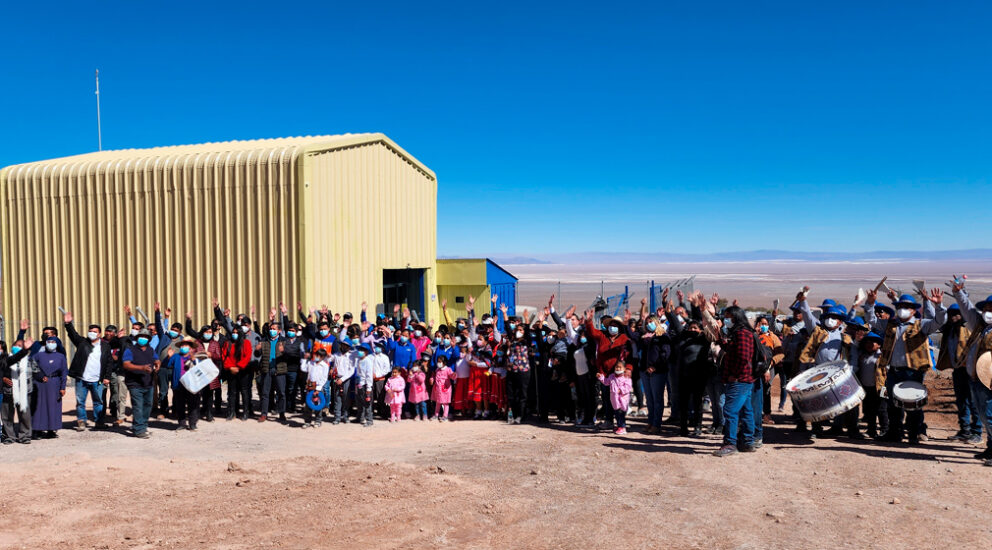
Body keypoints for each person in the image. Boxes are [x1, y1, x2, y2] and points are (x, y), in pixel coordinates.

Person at [867, 289, 946, 444]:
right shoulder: (891, 325)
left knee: (913, 404)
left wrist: (939, 305)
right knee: (893, 404)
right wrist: (870, 304)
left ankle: (915, 433)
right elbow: (872, 320)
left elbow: (939, 321)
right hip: (893, 371)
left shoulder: (921, 325)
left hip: (913, 371)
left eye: (906, 306)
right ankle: (894, 433)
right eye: (900, 306)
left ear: (913, 310)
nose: (902, 309)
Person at [950, 281, 992, 464]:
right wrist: (959, 293)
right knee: (984, 415)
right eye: (987, 308)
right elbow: (967, 309)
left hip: (989, 380)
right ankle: (991, 448)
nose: (988, 312)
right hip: (976, 378)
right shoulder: (980, 327)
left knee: (990, 416)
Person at [713, 306, 756, 457]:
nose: (726, 320)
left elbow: (743, 358)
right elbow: (733, 350)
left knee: (730, 411)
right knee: (746, 410)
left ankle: (730, 443)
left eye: (728, 317)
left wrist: (734, 375)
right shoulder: (741, 333)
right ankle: (748, 441)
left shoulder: (742, 333)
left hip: (740, 379)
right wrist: (719, 338)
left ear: (736, 317)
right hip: (745, 379)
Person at [937, 304, 981, 443]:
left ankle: (977, 431)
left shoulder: (969, 330)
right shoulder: (949, 331)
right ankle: (965, 430)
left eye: (957, 313)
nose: (953, 316)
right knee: (961, 401)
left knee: (973, 401)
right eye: (951, 314)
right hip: (958, 370)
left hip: (971, 370)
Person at [64, 312, 113, 431]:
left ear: (99, 334)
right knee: (80, 402)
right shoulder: (82, 343)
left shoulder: (105, 346)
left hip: (98, 380)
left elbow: (108, 363)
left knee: (99, 402)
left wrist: (107, 377)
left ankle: (99, 422)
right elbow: (73, 335)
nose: (92, 333)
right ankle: (81, 421)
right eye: (90, 330)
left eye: (95, 331)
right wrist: (68, 324)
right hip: (82, 379)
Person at [584, 310, 631, 430]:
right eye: (611, 326)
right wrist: (589, 321)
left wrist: (628, 368)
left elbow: (630, 353)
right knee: (607, 398)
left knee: (620, 399)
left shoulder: (624, 338)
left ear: (619, 328)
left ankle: (621, 424)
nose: (612, 328)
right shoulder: (602, 335)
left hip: (619, 375)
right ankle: (609, 420)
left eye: (615, 326)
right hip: (605, 374)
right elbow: (592, 332)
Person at [121, 329, 159, 438]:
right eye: (141, 336)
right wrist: (141, 368)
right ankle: (139, 430)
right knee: (138, 406)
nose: (143, 339)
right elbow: (126, 364)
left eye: (146, 337)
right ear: (137, 338)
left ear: (149, 339)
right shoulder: (130, 350)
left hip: (148, 382)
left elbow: (156, 359)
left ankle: (142, 425)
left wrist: (157, 364)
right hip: (134, 383)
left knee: (148, 405)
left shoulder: (151, 350)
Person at [31, 336, 67, 439]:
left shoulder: (61, 356)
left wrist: (63, 387)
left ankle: (52, 429)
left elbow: (64, 372)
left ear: (57, 344)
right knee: (39, 406)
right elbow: (32, 366)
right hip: (39, 384)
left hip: (54, 383)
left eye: (53, 342)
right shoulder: (39, 355)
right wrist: (40, 376)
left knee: (53, 407)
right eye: (49, 341)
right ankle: (37, 430)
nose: (50, 343)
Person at [855, 331, 888, 439]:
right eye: (867, 342)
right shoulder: (862, 356)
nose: (869, 345)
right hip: (866, 387)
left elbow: (887, 372)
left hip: (881, 388)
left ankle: (884, 430)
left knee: (882, 409)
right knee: (869, 410)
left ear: (878, 344)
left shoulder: (882, 356)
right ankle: (871, 430)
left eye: (872, 342)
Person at [1, 340, 34, 444]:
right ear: (11, 346)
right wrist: (3, 379)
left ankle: (24, 436)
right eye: (16, 345)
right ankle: (9, 436)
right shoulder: (5, 359)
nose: (18, 347)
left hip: (25, 391)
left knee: (25, 414)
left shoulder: (29, 359)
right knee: (7, 415)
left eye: (21, 346)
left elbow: (38, 372)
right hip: (9, 391)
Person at [169, 339, 202, 431]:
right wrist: (169, 357)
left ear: (191, 348)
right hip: (178, 384)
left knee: (193, 405)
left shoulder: (195, 358)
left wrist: (194, 360)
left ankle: (193, 424)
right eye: (182, 346)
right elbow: (167, 364)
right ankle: (182, 423)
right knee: (180, 405)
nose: (184, 347)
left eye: (186, 346)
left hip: (192, 385)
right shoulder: (175, 356)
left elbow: (200, 369)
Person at [221, 327, 253, 421]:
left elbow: (247, 356)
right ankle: (232, 412)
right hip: (231, 370)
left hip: (243, 371)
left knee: (244, 392)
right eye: (233, 332)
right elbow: (224, 356)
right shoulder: (228, 343)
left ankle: (245, 412)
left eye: (237, 333)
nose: (234, 334)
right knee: (232, 392)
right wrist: (230, 367)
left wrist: (239, 367)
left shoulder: (246, 343)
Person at [598, 361, 633, 435]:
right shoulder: (612, 376)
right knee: (616, 414)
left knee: (621, 414)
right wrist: (601, 377)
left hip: (622, 400)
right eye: (616, 367)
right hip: (614, 400)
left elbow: (628, 387)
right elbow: (606, 382)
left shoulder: (626, 377)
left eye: (620, 367)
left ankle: (622, 427)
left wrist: (621, 390)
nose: (618, 368)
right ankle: (619, 426)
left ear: (624, 368)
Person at [300, 348, 331, 428]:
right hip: (309, 386)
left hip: (318, 388)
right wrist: (304, 359)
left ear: (322, 357)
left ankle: (318, 420)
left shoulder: (324, 366)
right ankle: (307, 421)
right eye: (316, 354)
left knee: (317, 404)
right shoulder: (311, 363)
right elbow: (303, 369)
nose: (316, 356)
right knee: (308, 405)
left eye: (318, 356)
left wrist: (318, 389)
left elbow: (324, 378)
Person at [356, 344, 375, 427]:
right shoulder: (359, 360)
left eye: (362, 350)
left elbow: (369, 375)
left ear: (366, 352)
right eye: (359, 350)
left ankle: (369, 420)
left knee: (367, 403)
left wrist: (369, 387)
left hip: (366, 385)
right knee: (360, 402)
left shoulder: (368, 361)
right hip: (360, 384)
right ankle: (360, 417)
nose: (360, 352)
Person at [431, 356, 454, 422]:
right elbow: (434, 376)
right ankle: (436, 415)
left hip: (445, 389)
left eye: (440, 362)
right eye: (438, 361)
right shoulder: (437, 369)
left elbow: (452, 376)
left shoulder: (448, 369)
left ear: (444, 362)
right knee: (438, 402)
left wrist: (454, 375)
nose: (438, 363)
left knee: (445, 403)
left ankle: (445, 416)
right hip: (438, 389)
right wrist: (432, 379)